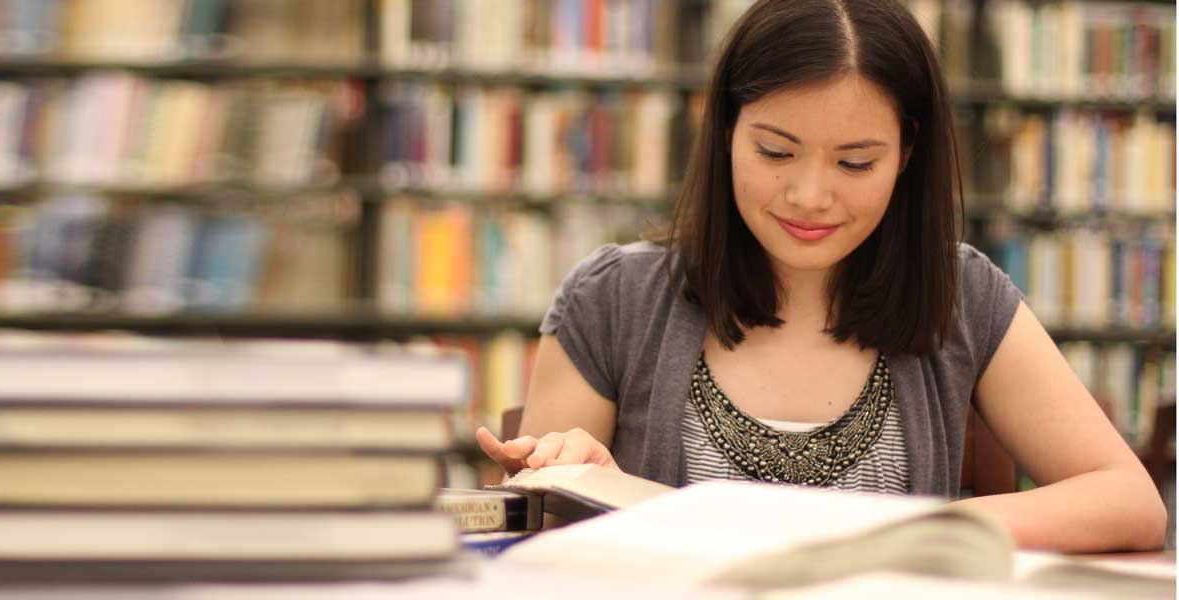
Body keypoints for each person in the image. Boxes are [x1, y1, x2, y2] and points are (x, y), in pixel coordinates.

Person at [476, 0, 1166, 553]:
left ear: (907, 154)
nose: (810, 195)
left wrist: (902, 533)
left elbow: (1129, 502)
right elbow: (543, 543)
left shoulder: (962, 295)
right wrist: (569, 471)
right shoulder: (614, 299)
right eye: (776, 151)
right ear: (724, 132)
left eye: (856, 163)